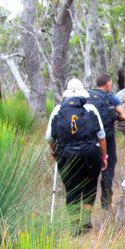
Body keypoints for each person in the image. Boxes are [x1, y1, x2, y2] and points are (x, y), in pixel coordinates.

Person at [45, 78, 108, 231]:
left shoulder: (57, 110)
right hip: (90, 154)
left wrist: (55, 152)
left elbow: (49, 137)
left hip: (66, 155)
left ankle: (74, 224)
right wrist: (104, 156)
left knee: (72, 188)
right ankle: (86, 219)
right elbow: (101, 135)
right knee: (90, 186)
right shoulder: (91, 108)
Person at [88, 73, 125, 210]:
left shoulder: (86, 96)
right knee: (108, 170)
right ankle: (106, 204)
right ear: (108, 84)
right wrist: (117, 117)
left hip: (90, 140)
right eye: (111, 82)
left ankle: (87, 205)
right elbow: (124, 115)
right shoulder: (111, 98)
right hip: (107, 139)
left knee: (90, 172)